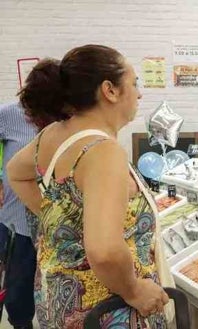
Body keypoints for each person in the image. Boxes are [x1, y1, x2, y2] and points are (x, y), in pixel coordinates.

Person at [7, 45, 169, 328]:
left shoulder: (52, 134)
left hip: (60, 303)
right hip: (106, 310)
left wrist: (62, 221)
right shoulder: (102, 151)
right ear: (110, 90)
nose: (139, 93)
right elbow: (104, 251)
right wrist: (133, 290)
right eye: (134, 83)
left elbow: (15, 173)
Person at [0, 102, 38, 329]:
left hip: (51, 224)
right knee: (15, 292)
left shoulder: (67, 116)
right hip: (15, 220)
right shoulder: (12, 114)